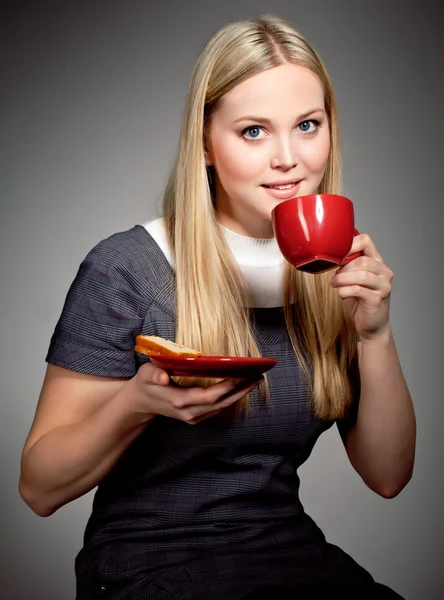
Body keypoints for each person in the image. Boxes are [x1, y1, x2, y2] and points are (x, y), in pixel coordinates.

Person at [19, 14, 416, 600]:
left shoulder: (333, 272)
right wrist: (137, 401)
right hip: (147, 561)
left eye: (307, 125)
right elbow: (39, 488)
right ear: (206, 142)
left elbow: (387, 478)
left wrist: (375, 335)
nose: (290, 158)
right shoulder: (128, 266)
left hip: (285, 554)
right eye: (254, 131)